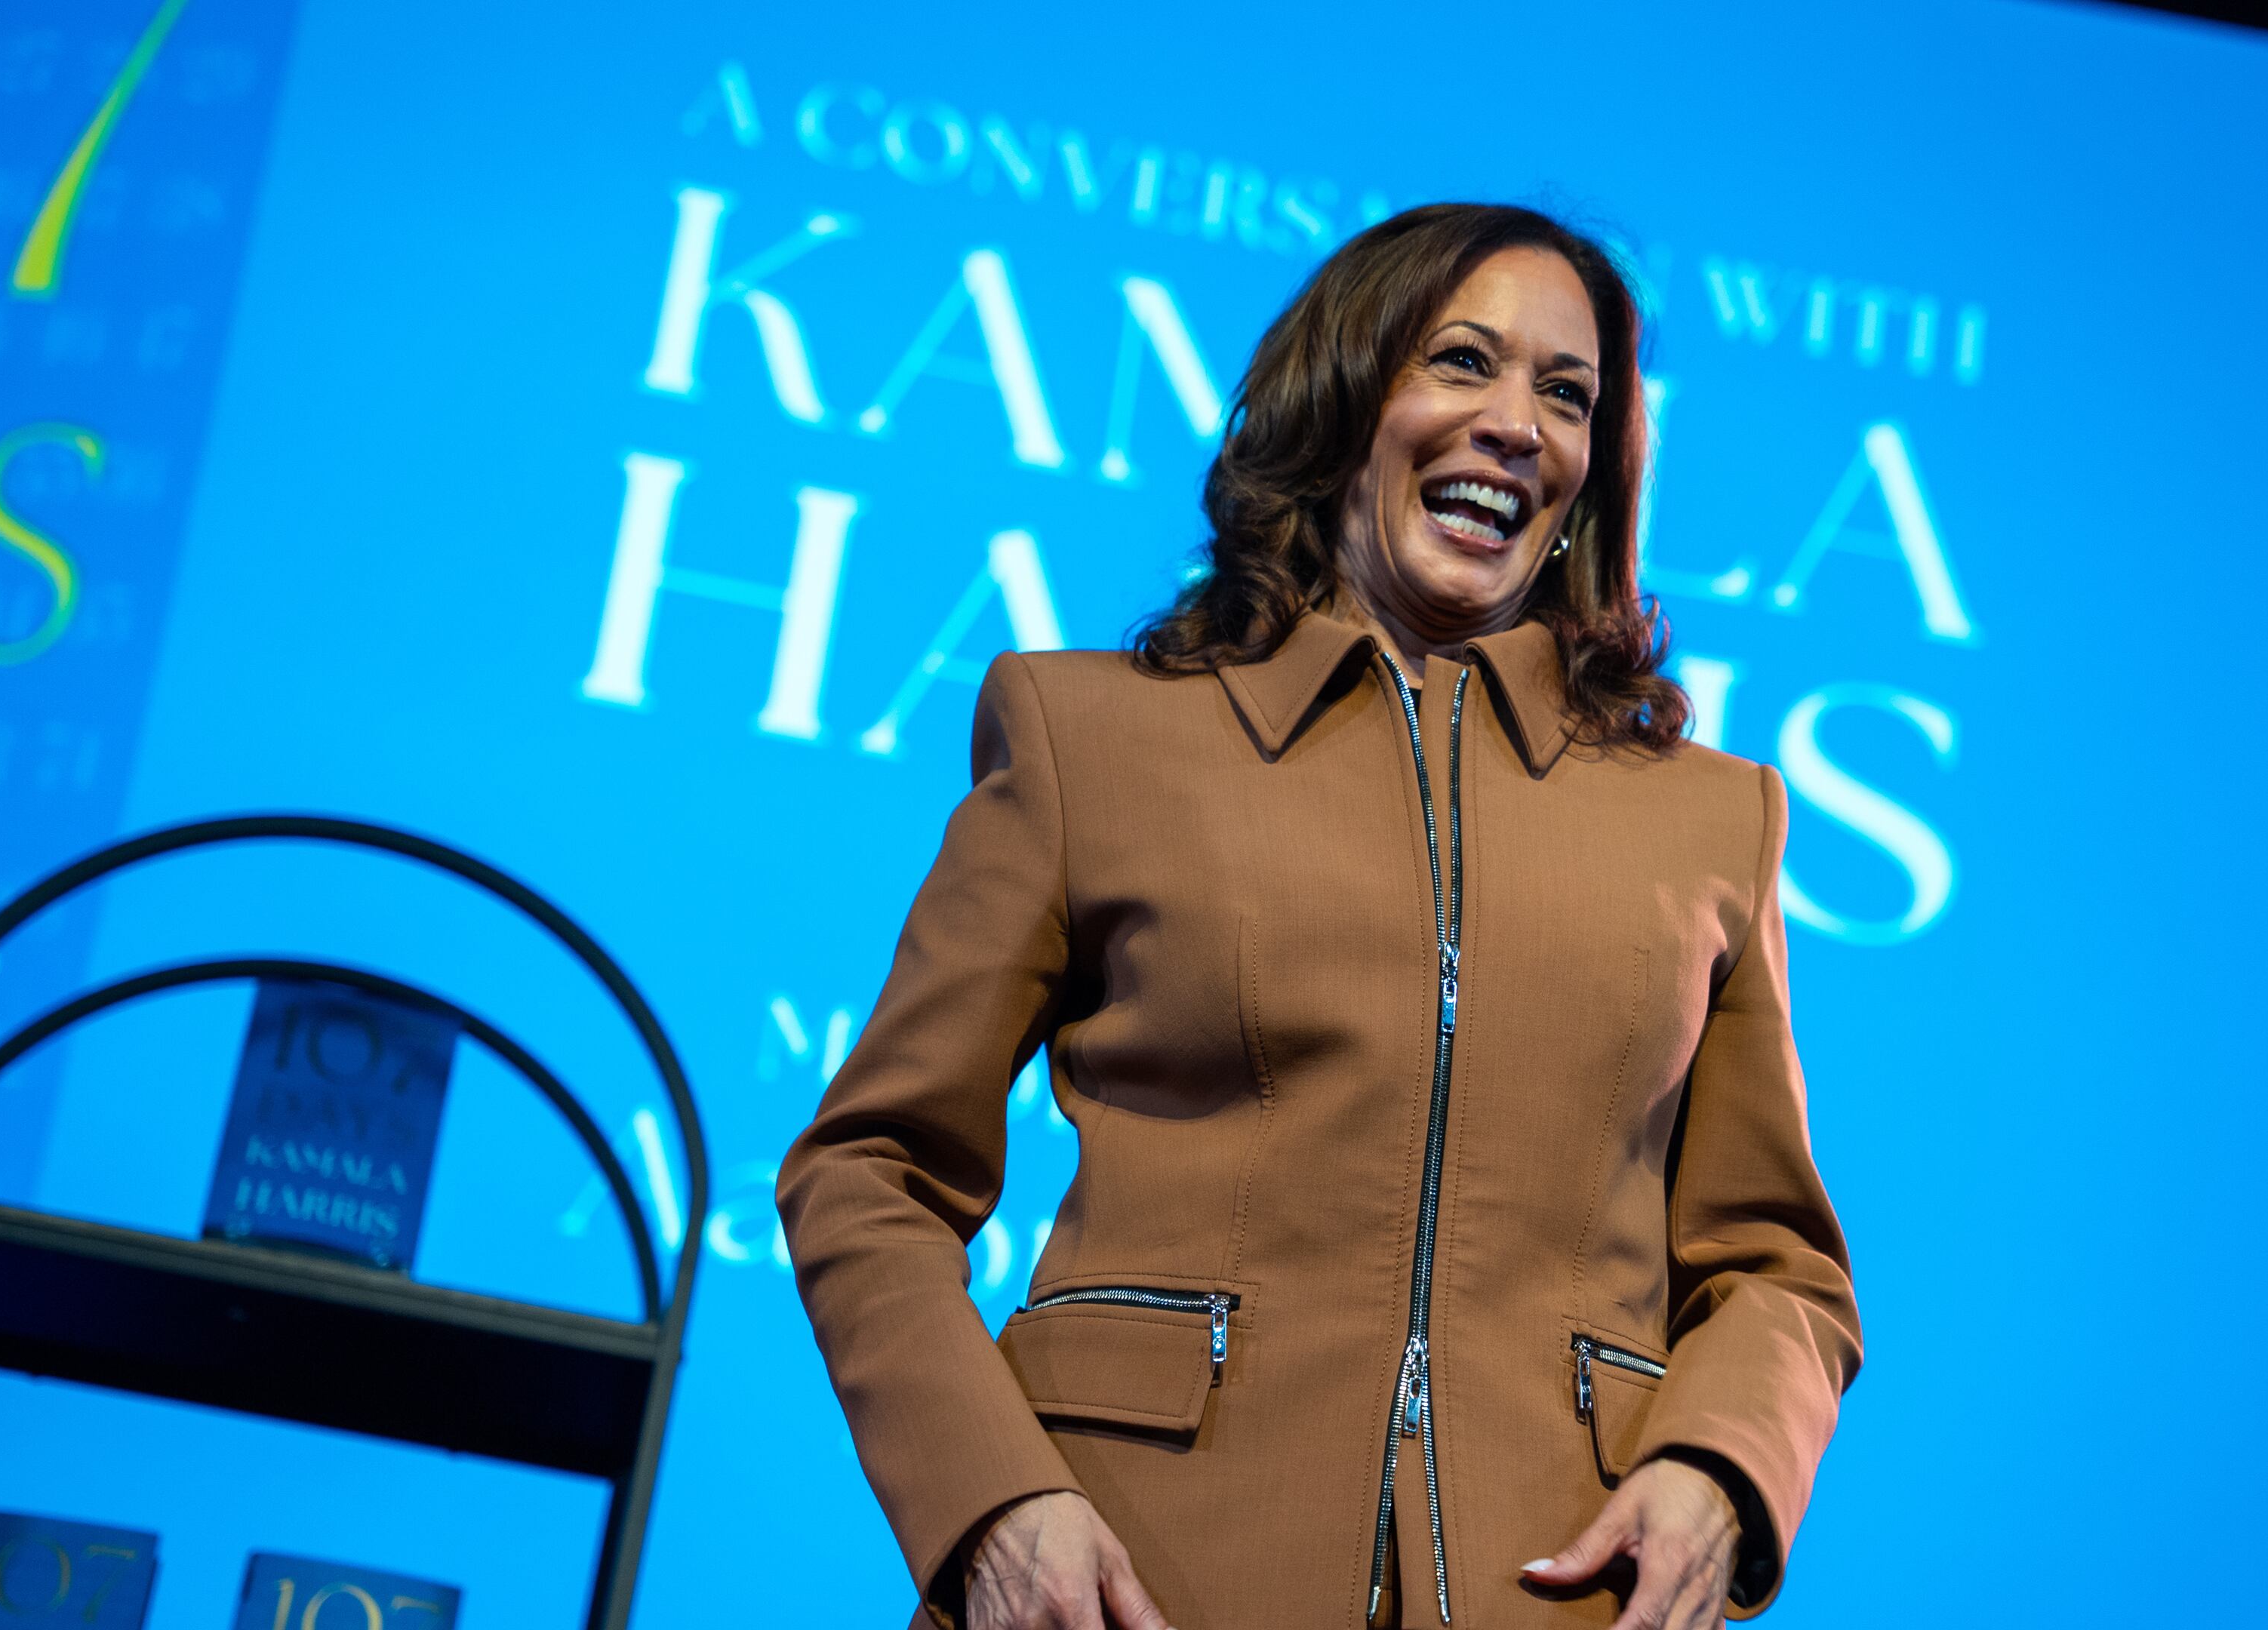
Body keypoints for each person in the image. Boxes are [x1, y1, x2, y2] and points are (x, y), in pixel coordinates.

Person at [778, 203, 1860, 1630]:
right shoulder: (1091, 736)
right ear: (1347, 396)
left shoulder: (1710, 819)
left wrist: (1724, 1472)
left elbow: (1779, 1267)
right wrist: (989, 1505)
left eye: (1567, 394)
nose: (1516, 425)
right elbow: (868, 1172)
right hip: (1126, 1585)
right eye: (1462, 362)